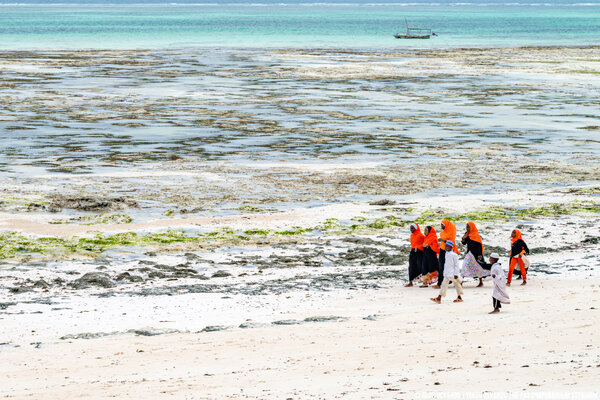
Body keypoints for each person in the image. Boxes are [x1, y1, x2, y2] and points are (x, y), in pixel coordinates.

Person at [461, 221, 490, 287]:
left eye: (468, 227)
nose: (467, 228)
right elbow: (464, 243)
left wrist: (480, 255)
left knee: (478, 267)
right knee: (464, 266)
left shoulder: (476, 235)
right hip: (469, 253)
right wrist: (463, 238)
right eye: (466, 227)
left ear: (472, 227)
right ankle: (461, 282)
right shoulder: (467, 234)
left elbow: (479, 246)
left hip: (476, 254)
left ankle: (481, 282)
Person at [433, 219, 459, 289]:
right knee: (440, 266)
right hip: (442, 250)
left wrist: (442, 240)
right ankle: (445, 281)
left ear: (446, 225)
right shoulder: (443, 232)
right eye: (441, 224)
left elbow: (451, 242)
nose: (441, 226)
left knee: (446, 266)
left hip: (448, 251)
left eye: (442, 225)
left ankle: (440, 284)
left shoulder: (451, 232)